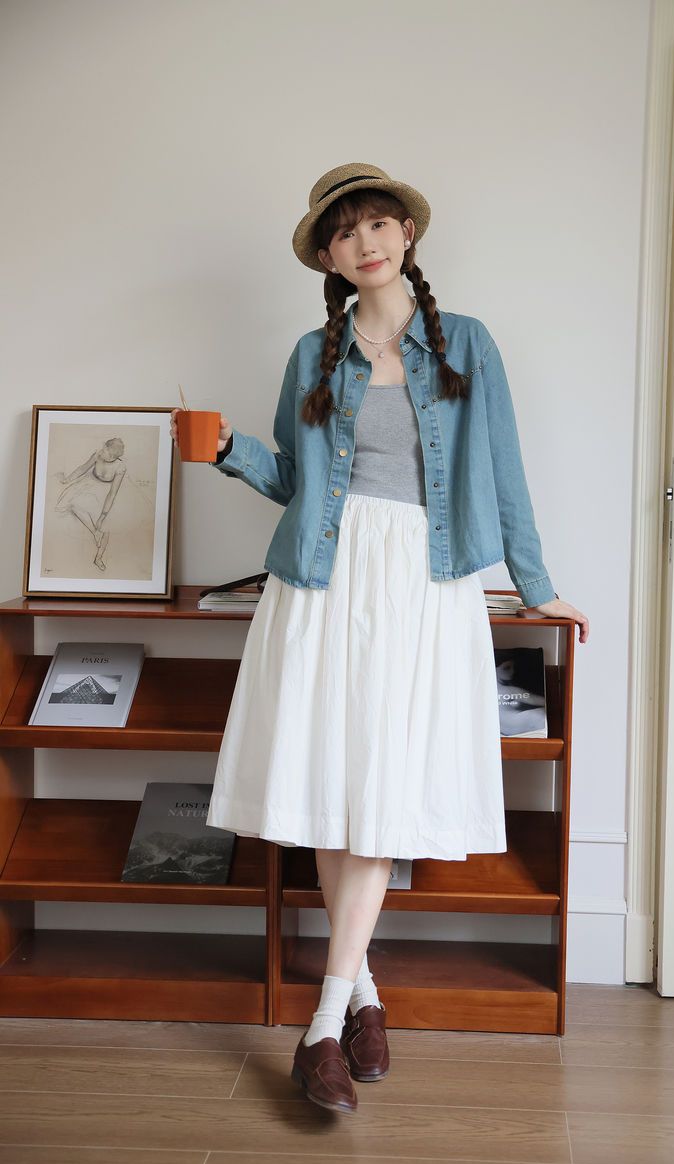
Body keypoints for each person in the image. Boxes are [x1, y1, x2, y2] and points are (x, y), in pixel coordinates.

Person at [171, 162, 589, 1115]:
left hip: (426, 582)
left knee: (380, 786)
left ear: (407, 234)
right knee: (339, 785)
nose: (365, 241)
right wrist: (227, 450)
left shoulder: (467, 342)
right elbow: (296, 479)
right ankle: (357, 1001)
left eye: (378, 223)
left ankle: (324, 1022)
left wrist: (539, 589)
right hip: (325, 579)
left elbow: (506, 471)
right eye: (345, 232)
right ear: (327, 257)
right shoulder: (311, 353)